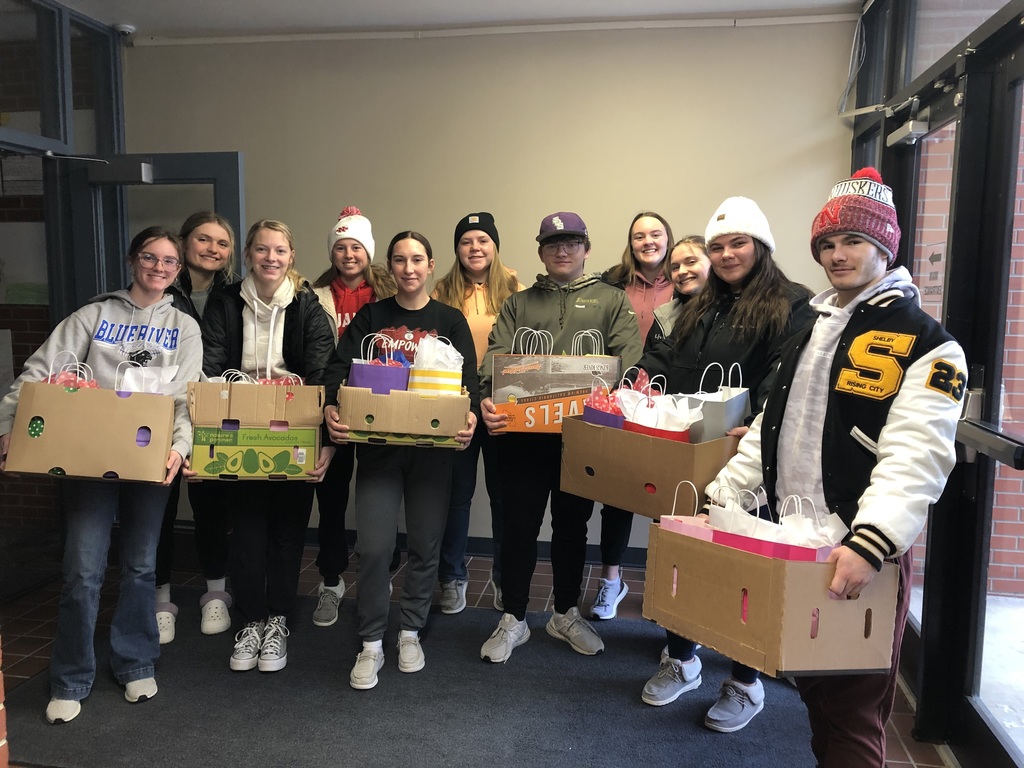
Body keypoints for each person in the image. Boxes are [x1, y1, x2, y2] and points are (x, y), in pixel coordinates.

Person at [706, 168, 965, 765]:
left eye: (853, 241)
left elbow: (916, 457)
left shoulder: (930, 344)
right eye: (827, 243)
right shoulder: (813, 329)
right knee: (819, 702)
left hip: (859, 556)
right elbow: (769, 430)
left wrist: (873, 542)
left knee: (852, 720)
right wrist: (722, 495)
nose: (837, 255)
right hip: (794, 543)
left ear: (883, 246)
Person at [0, 227, 202, 724]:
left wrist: (180, 448)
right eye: (150, 257)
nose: (159, 267)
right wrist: (10, 425)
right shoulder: (93, 315)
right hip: (86, 461)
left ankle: (135, 663)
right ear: (133, 260)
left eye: (170, 261)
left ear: (178, 271)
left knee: (139, 567)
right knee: (82, 571)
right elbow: (36, 373)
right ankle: (71, 677)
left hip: (148, 461)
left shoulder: (183, 327)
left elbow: (187, 396)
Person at [636, 197, 815, 732]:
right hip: (690, 453)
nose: (727, 254)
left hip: (751, 458)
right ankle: (682, 659)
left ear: (761, 246)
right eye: (717, 246)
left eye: (737, 243)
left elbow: (787, 376)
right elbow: (668, 359)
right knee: (679, 556)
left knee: (741, 571)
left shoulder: (792, 303)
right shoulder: (700, 303)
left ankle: (745, 681)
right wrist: (646, 383)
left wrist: (758, 421)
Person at [478, 211, 643, 663]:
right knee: (519, 528)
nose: (562, 250)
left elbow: (628, 362)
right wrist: (487, 399)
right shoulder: (519, 302)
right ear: (541, 252)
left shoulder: (611, 300)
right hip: (522, 439)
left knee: (572, 528)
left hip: (583, 437)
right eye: (553, 244)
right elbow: (495, 360)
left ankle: (566, 612)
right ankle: (513, 617)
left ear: (586, 249)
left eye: (571, 243)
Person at [323, 231, 479, 690]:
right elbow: (338, 370)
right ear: (389, 267)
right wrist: (333, 406)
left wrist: (469, 415)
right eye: (399, 260)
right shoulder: (373, 316)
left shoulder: (449, 320)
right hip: (379, 452)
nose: (408, 268)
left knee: (426, 546)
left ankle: (410, 630)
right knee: (372, 548)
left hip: (432, 455)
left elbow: (469, 380)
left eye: (417, 260)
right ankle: (371, 641)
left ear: (431, 265)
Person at [196, 219, 336, 673]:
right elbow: (211, 365)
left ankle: (278, 620)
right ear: (248, 256)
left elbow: (320, 376)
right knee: (248, 530)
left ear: (291, 257)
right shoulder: (224, 301)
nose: (270, 258)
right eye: (261, 250)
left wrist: (322, 443)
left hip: (294, 429)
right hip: (240, 429)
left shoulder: (309, 308)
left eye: (279, 250)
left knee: (288, 532)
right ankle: (250, 620)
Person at [592, 230, 708, 621]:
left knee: (676, 514)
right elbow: (653, 359)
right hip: (651, 416)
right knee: (619, 495)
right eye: (676, 266)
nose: (681, 270)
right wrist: (623, 392)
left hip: (704, 432)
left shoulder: (739, 313)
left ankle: (671, 597)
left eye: (691, 262)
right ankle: (611, 581)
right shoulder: (666, 312)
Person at [432, 212, 524, 614]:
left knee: (505, 498)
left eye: (483, 241)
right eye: (467, 241)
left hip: (504, 406)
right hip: (457, 403)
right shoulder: (441, 291)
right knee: (456, 496)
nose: (475, 248)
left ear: (495, 246)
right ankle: (452, 577)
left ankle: (505, 580)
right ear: (457, 248)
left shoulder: (517, 289)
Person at [309, 206, 396, 628]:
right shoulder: (312, 294)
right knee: (331, 497)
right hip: (333, 404)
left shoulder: (389, 293)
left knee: (381, 491)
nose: (348, 254)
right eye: (340, 247)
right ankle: (331, 581)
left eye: (356, 247)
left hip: (381, 403)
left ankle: (382, 575)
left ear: (368, 252)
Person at [155, 211, 237, 644]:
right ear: (184, 243)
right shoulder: (161, 289)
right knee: (159, 508)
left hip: (214, 413)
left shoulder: (236, 294)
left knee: (212, 504)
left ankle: (217, 594)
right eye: (204, 240)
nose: (212, 249)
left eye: (222, 243)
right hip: (161, 414)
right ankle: (161, 600)